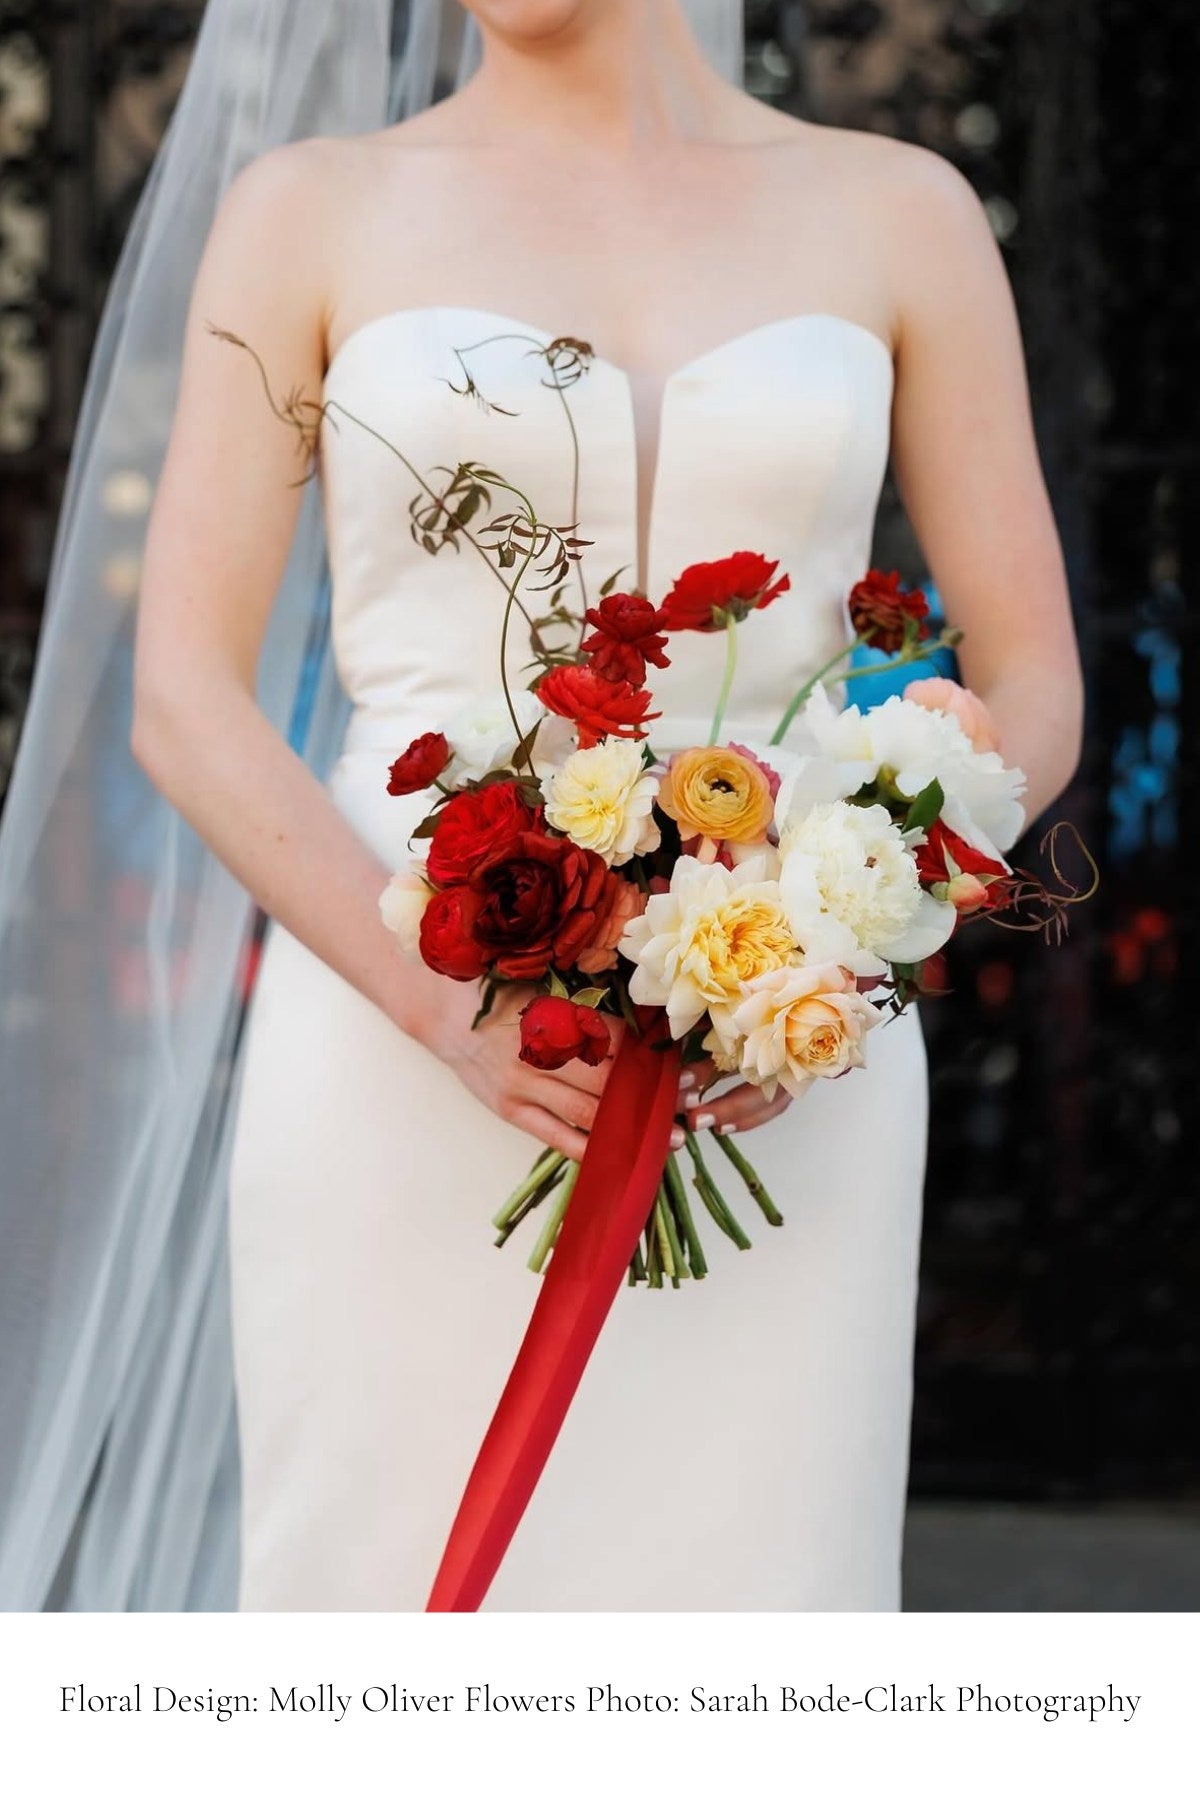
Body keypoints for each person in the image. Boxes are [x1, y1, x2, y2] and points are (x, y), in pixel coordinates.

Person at [1, 0, 1083, 1612]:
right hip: (395, 1034)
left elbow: (1034, 678)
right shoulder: (310, 208)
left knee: (755, 1605)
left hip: (787, 1066)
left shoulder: (900, 210)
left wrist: (831, 944)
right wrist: (440, 1014)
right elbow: (186, 701)